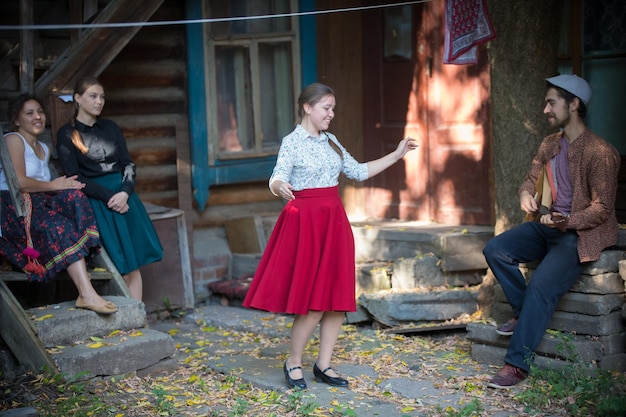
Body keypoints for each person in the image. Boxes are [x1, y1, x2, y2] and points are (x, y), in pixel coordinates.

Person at [243, 82, 418, 389]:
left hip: (334, 223)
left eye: (333, 108)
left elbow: (359, 171)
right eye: (326, 108)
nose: (331, 114)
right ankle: (293, 361)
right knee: (313, 301)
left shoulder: (332, 141)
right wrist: (278, 187)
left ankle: (323, 365)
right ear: (307, 108)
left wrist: (396, 154)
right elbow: (278, 176)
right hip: (305, 224)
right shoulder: (292, 142)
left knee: (336, 298)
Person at [483, 74, 620, 389]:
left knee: (541, 289)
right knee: (495, 249)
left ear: (573, 105)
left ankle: (517, 366)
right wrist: (524, 196)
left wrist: (566, 222)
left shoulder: (601, 152)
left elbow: (603, 209)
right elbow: (529, 180)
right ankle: (522, 313)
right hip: (548, 226)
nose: (545, 108)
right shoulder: (550, 143)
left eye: (551, 102)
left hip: (580, 234)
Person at [0, 94, 117, 314]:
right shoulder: (14, 139)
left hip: (39, 203)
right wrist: (54, 186)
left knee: (76, 196)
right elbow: (20, 182)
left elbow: (48, 187)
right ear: (16, 120)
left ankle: (83, 257)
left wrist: (65, 186)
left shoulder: (44, 148)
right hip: (14, 208)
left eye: (40, 112)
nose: (37, 117)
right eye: (29, 113)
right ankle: (86, 293)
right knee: (57, 227)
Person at [56, 76, 163, 301]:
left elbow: (128, 164)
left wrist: (125, 192)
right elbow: (75, 176)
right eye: (93, 96)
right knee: (117, 265)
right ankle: (122, 321)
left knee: (133, 265)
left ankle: (137, 320)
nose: (99, 101)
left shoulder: (111, 127)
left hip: (125, 197)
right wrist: (109, 197)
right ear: (77, 98)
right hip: (98, 201)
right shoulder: (67, 134)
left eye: (102, 97)